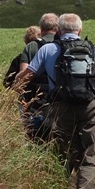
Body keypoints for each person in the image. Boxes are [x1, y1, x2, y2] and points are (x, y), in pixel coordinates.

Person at [15, 13, 95, 189]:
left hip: (61, 106)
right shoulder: (92, 49)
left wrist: (17, 80)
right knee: (91, 151)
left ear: (59, 30)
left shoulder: (48, 49)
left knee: (66, 151)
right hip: (89, 106)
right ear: (80, 30)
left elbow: (26, 77)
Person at [17, 13, 59, 142]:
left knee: (36, 134)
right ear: (58, 28)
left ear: (41, 29)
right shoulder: (63, 45)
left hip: (37, 98)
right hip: (60, 97)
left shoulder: (32, 46)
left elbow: (24, 75)